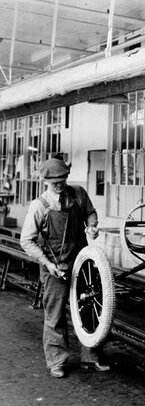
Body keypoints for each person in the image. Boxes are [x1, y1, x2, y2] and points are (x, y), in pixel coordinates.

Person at [20, 158, 110, 378]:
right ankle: (57, 361)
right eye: (54, 182)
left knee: (89, 308)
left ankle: (91, 356)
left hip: (81, 261)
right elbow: (26, 241)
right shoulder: (39, 206)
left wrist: (92, 226)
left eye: (62, 180)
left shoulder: (78, 194)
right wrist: (48, 264)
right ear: (44, 181)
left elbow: (91, 212)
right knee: (55, 313)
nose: (59, 185)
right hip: (55, 265)